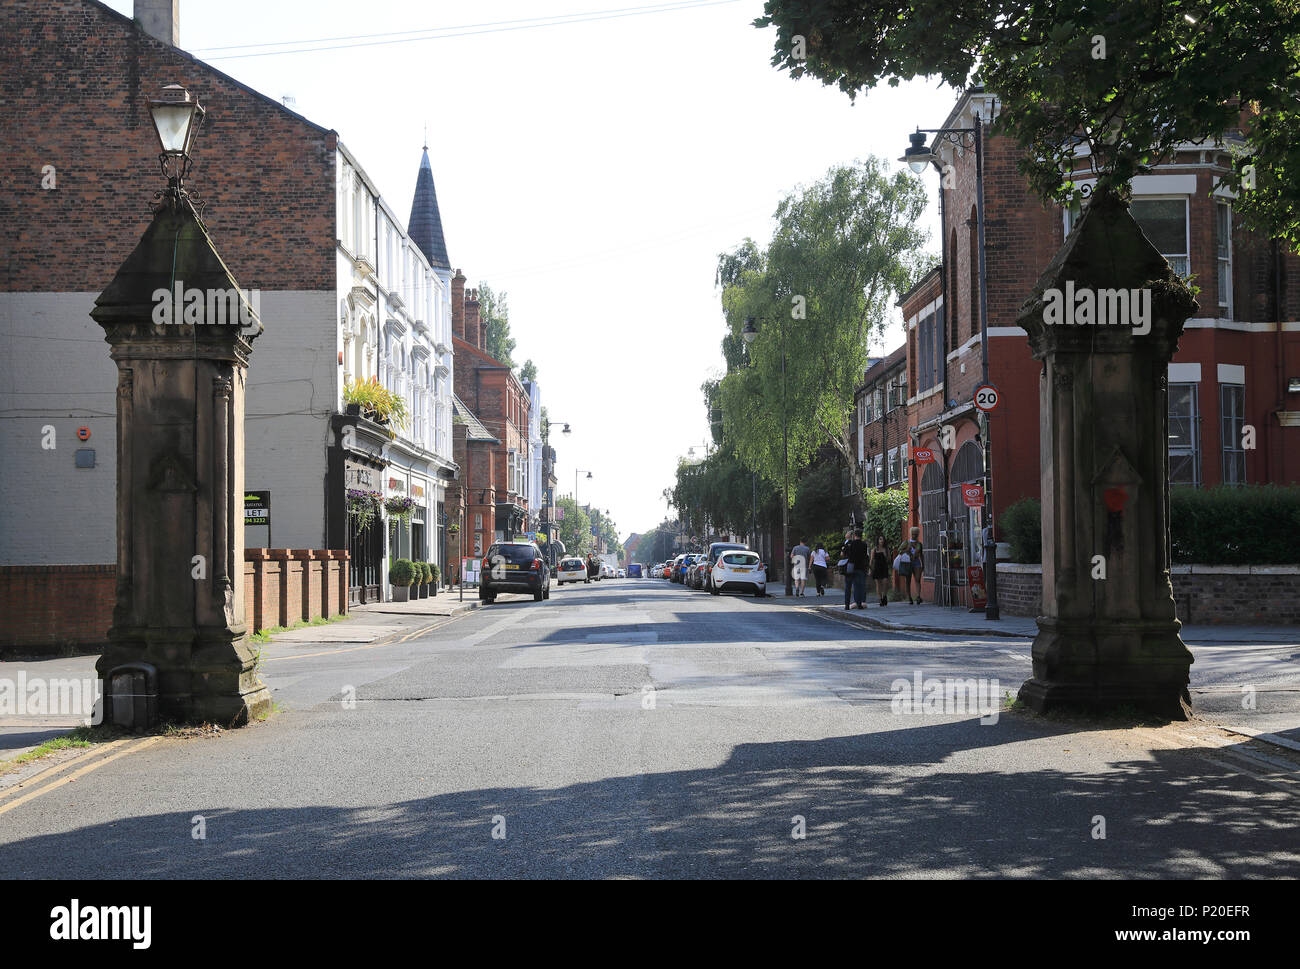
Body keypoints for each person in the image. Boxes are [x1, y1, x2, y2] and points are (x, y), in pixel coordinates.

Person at [843, 528, 870, 610]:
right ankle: (859, 604)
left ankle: (847, 605)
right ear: (861, 536)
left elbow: (846, 554)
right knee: (859, 586)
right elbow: (865, 556)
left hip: (851, 566)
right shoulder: (864, 545)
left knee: (848, 586)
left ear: (854, 535)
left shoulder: (851, 544)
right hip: (860, 567)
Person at [904, 527, 925, 605]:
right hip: (908, 562)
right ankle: (909, 597)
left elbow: (921, 555)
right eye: (913, 534)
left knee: (918, 579)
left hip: (917, 562)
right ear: (911, 534)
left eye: (916, 534)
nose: (914, 536)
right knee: (908, 581)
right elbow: (901, 551)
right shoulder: (907, 543)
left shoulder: (919, 544)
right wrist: (907, 550)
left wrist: (923, 564)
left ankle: (918, 596)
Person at [871, 534, 891, 607]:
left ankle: (884, 595)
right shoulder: (874, 549)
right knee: (878, 584)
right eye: (880, 539)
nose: (882, 541)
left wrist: (885, 555)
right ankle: (880, 599)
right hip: (877, 567)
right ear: (877, 540)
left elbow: (889, 559)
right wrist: (870, 570)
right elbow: (871, 560)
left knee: (885, 582)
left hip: (884, 567)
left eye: (883, 539)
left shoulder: (886, 549)